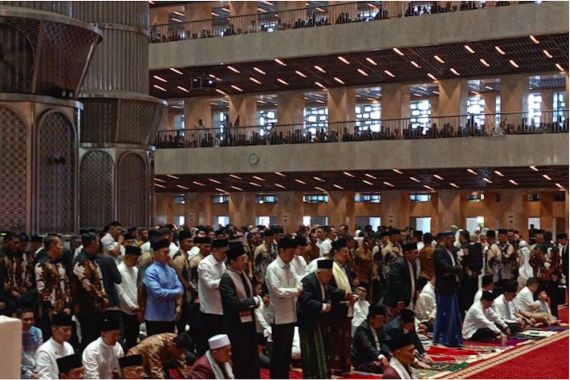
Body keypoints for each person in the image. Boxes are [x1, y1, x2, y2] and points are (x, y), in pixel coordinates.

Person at [218, 243, 261, 378]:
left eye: (246, 258)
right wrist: (253, 301)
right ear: (232, 262)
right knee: (240, 357)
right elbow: (232, 303)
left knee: (252, 355)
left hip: (249, 323)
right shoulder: (226, 279)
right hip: (235, 326)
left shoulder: (243, 274)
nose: (246, 262)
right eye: (242, 259)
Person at [265, 235, 301, 379]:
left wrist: (294, 290)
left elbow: (300, 281)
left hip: (291, 315)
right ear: (281, 250)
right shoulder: (272, 268)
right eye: (290, 252)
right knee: (278, 354)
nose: (293, 255)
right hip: (279, 317)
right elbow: (278, 291)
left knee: (286, 354)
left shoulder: (291, 266)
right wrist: (296, 291)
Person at [297, 259, 335, 378]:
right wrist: (323, 306)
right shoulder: (308, 281)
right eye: (328, 275)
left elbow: (328, 296)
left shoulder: (324, 281)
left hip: (320, 320)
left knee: (323, 349)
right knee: (312, 352)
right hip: (308, 321)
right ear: (319, 273)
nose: (329, 278)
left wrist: (328, 303)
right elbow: (306, 301)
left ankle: (323, 374)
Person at [73, 232, 109, 349]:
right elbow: (86, 285)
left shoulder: (92, 259)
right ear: (93, 242)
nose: (99, 244)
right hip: (87, 306)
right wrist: (101, 297)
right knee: (89, 337)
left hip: (96, 306)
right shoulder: (82, 260)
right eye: (98, 241)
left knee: (96, 336)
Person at [328, 238, 356, 375]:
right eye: (344, 251)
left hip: (347, 307)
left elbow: (351, 286)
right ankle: (335, 367)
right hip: (336, 309)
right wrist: (345, 294)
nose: (347, 254)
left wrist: (354, 294)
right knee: (336, 339)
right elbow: (328, 288)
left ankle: (344, 367)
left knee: (346, 338)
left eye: (347, 251)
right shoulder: (329, 267)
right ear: (336, 252)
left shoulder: (345, 268)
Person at [143, 238, 183, 336]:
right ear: (156, 253)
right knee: (155, 348)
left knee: (169, 347)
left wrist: (174, 294)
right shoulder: (151, 271)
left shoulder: (171, 270)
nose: (168, 255)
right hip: (155, 318)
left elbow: (181, 289)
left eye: (168, 252)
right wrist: (175, 293)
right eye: (165, 252)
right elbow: (158, 293)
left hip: (170, 316)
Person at [35, 235, 72, 339]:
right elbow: (41, 290)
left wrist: (67, 304)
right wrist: (51, 308)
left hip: (63, 307)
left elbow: (66, 285)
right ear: (52, 246)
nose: (62, 247)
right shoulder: (41, 264)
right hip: (50, 310)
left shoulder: (60, 264)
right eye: (60, 245)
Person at [432, 231, 463, 347]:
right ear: (444, 239)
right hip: (443, 288)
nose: (452, 242)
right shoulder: (438, 252)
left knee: (453, 314)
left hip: (451, 287)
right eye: (450, 240)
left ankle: (452, 340)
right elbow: (444, 268)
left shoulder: (448, 251)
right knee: (443, 314)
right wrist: (456, 268)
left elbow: (451, 269)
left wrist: (453, 269)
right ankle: (440, 339)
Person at [198, 238, 227, 355]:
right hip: (210, 308)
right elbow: (210, 285)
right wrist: (226, 280)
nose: (225, 255)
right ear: (214, 250)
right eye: (223, 252)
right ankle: (202, 360)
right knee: (209, 338)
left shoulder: (222, 263)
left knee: (220, 338)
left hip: (222, 306)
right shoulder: (204, 264)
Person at [127, 332, 192, 379]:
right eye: (181, 352)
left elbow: (182, 365)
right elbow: (156, 372)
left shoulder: (178, 342)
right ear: (173, 346)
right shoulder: (156, 347)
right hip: (134, 361)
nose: (182, 354)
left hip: (151, 361)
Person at [115, 245, 141, 351]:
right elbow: (120, 291)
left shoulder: (135, 269)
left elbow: (138, 288)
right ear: (126, 257)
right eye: (134, 259)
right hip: (124, 309)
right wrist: (131, 305)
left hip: (136, 308)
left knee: (133, 337)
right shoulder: (119, 270)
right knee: (123, 337)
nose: (135, 262)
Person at [34, 314, 75, 380]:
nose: (69, 333)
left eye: (70, 330)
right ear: (54, 329)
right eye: (65, 330)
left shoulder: (69, 347)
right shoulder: (44, 351)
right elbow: (45, 378)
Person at [384, 242, 418, 319]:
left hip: (408, 300)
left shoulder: (413, 264)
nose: (417, 255)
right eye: (415, 253)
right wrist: (400, 300)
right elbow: (395, 283)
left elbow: (413, 281)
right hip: (396, 302)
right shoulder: (398, 264)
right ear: (406, 253)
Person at [351, 305, 390, 374]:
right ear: (371, 319)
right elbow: (368, 347)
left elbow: (387, 341)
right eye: (379, 319)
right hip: (363, 360)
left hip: (377, 356)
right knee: (380, 366)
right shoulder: (362, 329)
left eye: (382, 319)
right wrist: (380, 356)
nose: (381, 322)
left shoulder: (381, 327)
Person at [171, 230, 193, 335]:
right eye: (188, 242)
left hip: (186, 294)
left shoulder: (186, 255)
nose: (191, 244)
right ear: (181, 242)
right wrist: (188, 286)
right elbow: (178, 277)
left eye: (192, 241)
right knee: (181, 325)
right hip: (181, 295)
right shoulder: (179, 257)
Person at [19, 307, 44, 379]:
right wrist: (30, 374)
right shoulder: (13, 335)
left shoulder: (37, 332)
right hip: (21, 372)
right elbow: (15, 362)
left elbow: (40, 353)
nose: (29, 322)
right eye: (26, 320)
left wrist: (38, 370)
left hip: (37, 369)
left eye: (31, 319)